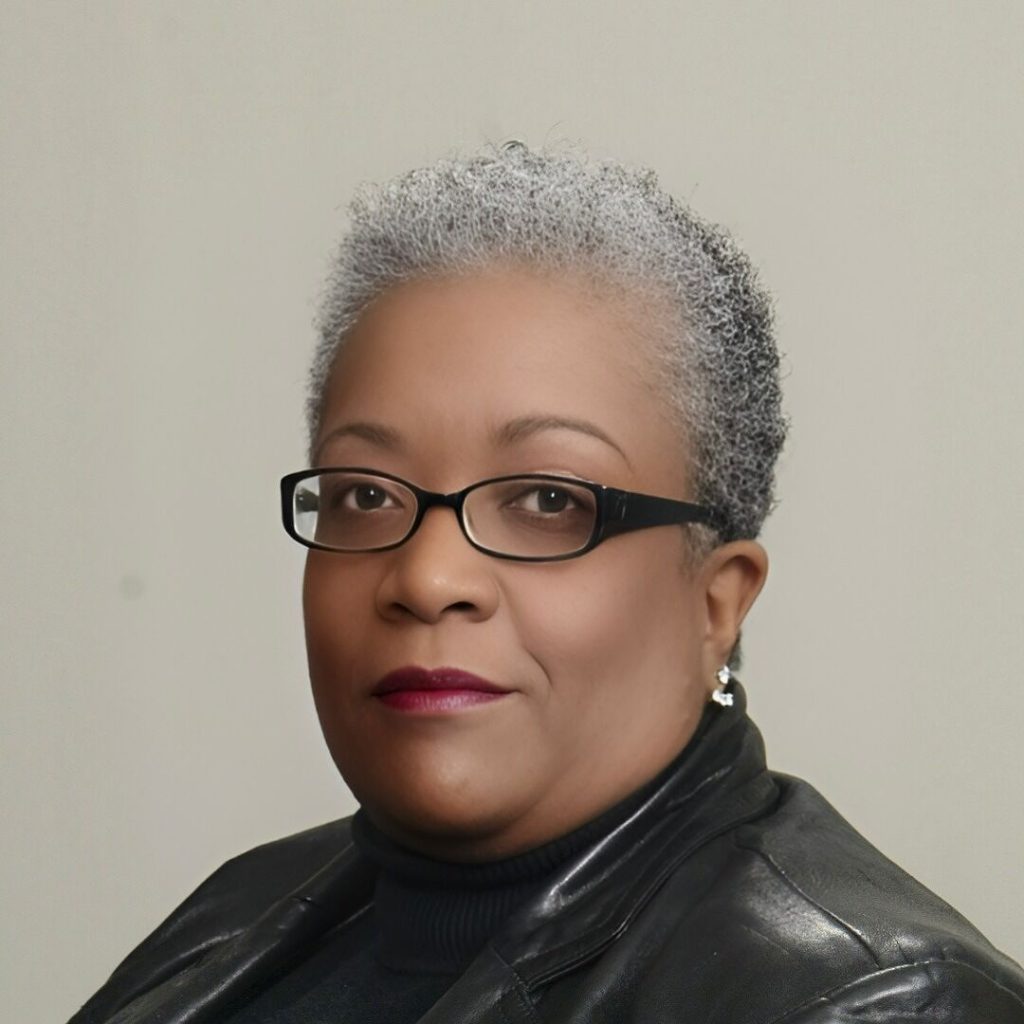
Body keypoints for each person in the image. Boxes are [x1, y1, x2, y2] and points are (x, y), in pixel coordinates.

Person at [69, 141, 1024, 1024]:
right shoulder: (234, 919)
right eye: (366, 494)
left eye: (548, 501)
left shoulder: (878, 1003)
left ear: (717, 604)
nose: (427, 577)